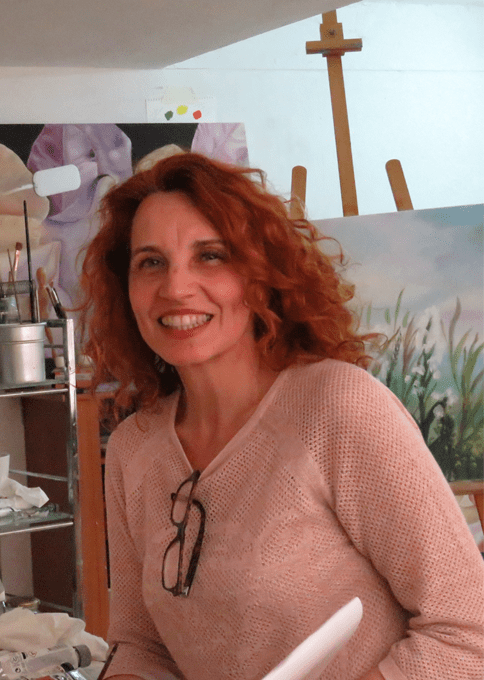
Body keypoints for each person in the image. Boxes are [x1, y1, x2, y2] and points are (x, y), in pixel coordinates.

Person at [77, 152, 484, 680]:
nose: (175, 288)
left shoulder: (338, 406)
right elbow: (142, 647)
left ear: (260, 274)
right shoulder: (132, 447)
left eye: (211, 256)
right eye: (150, 262)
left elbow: (467, 631)